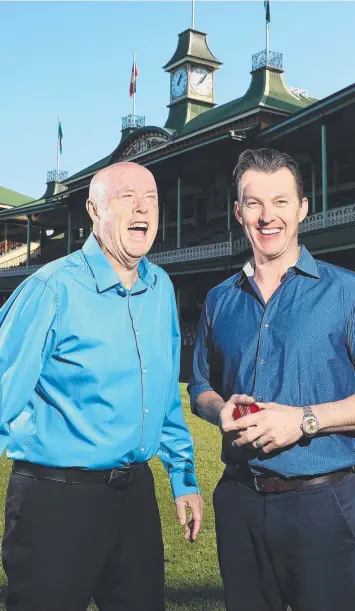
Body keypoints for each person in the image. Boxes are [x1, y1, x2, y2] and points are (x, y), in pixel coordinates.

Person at [0, 161, 203, 611]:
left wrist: (184, 478)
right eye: (127, 195)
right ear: (94, 210)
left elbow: (166, 394)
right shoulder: (51, 289)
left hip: (135, 500)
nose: (142, 207)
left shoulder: (161, 287)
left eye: (151, 198)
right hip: (57, 501)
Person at [188, 148, 355, 611]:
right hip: (239, 502)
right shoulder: (219, 300)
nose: (268, 217)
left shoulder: (347, 291)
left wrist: (303, 420)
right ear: (238, 212)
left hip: (321, 505)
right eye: (254, 203)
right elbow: (200, 387)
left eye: (281, 202)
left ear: (303, 208)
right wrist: (217, 407)